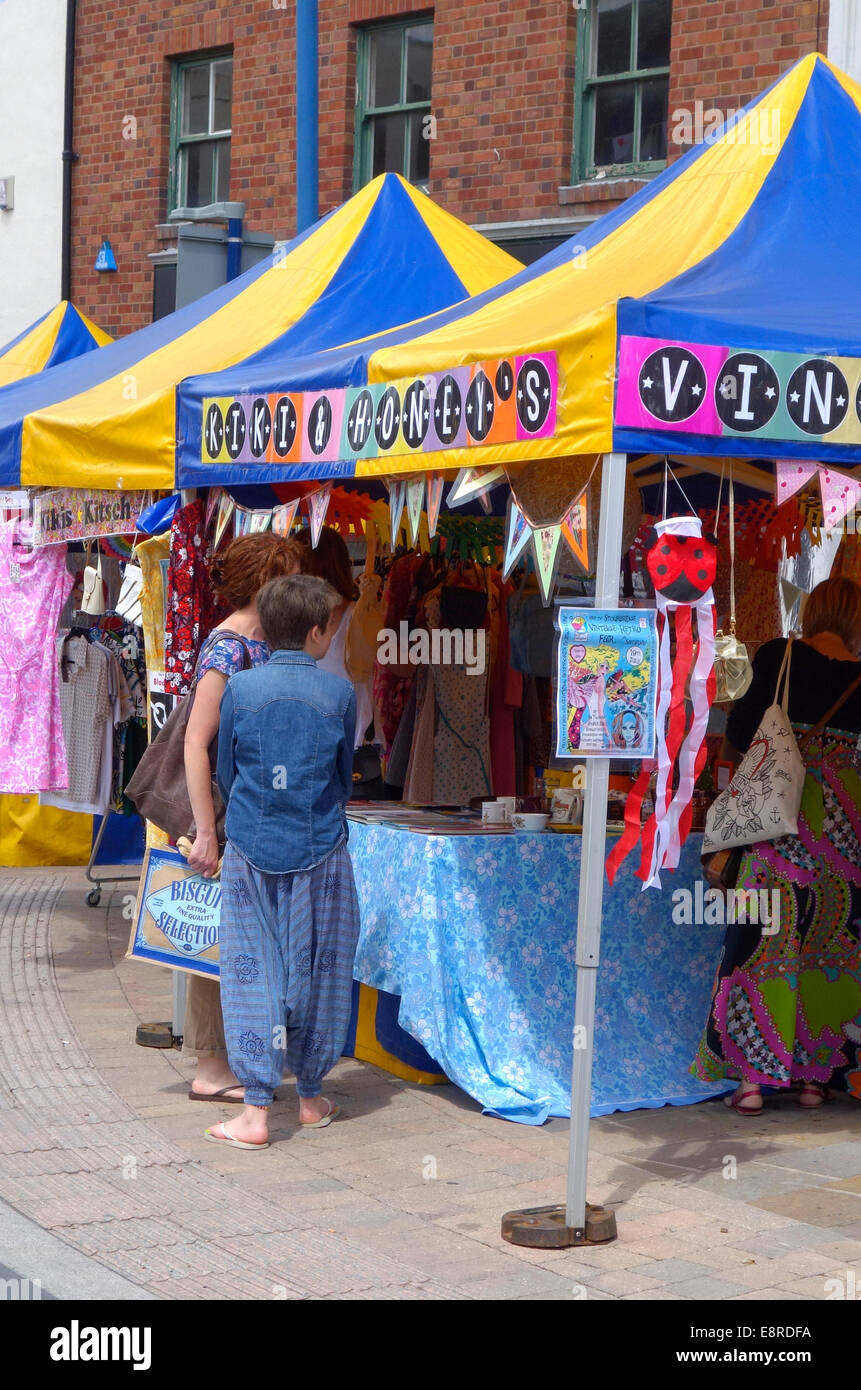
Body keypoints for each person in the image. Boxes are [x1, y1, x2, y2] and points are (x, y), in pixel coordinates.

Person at [693, 576, 861, 1115]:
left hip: (775, 826)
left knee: (760, 944)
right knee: (826, 949)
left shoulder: (778, 656)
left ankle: (750, 1084)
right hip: (843, 832)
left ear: (813, 612)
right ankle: (814, 1082)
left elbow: (739, 733)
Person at [204, 574, 360, 1149]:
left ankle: (255, 1112)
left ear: (268, 628)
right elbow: (343, 780)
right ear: (318, 630)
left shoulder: (240, 691)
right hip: (322, 849)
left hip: (251, 847)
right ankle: (312, 1094)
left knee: (253, 971)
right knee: (321, 968)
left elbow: (226, 770)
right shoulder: (338, 695)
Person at [183, 531, 297, 1102]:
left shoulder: (263, 642)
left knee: (250, 936)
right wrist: (207, 832)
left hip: (254, 807)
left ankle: (243, 1054)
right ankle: (210, 1065)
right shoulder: (228, 646)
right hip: (226, 814)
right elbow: (195, 742)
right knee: (215, 935)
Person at [287, 525, 375, 746]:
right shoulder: (286, 619)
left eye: (297, 568)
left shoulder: (358, 616)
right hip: (302, 742)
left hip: (348, 746)